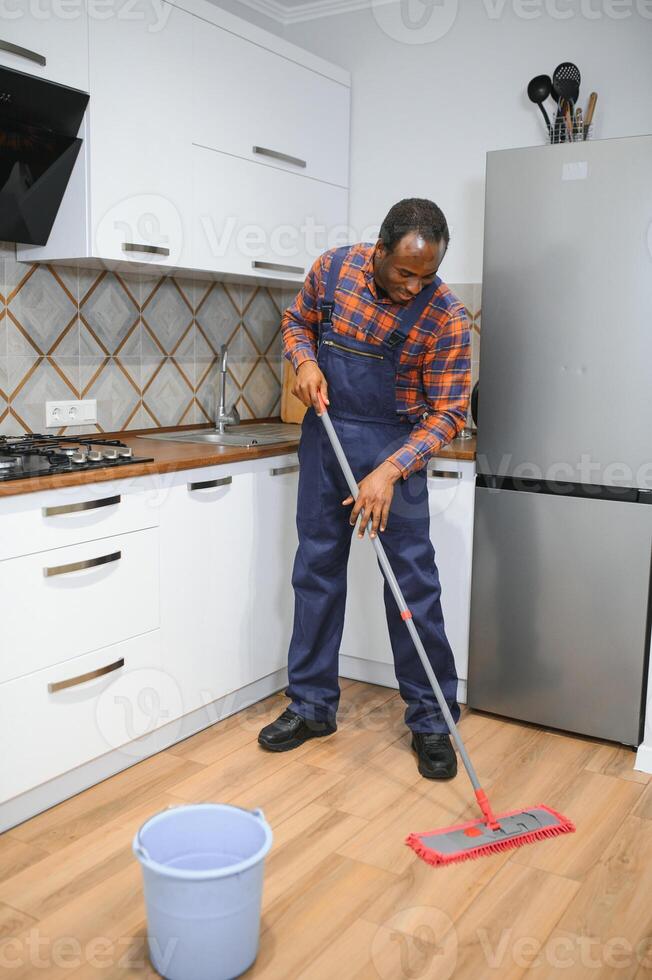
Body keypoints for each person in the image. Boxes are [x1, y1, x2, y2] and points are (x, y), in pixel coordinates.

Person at [258, 198, 471, 779]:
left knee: (412, 590)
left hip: (395, 453)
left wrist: (390, 471)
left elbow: (449, 413)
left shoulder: (447, 317)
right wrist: (303, 361)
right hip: (326, 439)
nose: (412, 287)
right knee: (316, 572)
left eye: (425, 276)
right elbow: (297, 322)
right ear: (378, 250)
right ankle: (311, 707)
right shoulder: (332, 269)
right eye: (404, 272)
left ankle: (431, 721)